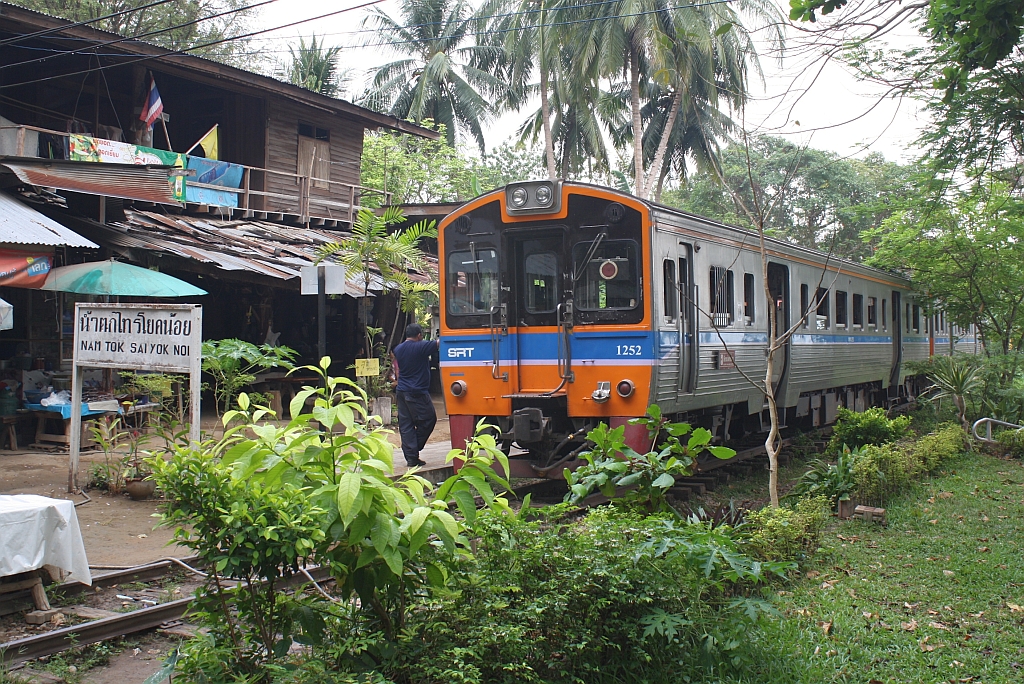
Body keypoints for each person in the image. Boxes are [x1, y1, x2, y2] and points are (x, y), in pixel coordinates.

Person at [391, 323, 438, 467]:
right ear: (419, 335)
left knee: (406, 424)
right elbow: (439, 343)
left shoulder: (398, 349)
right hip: (417, 391)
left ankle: (411, 457)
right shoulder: (421, 346)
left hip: (402, 391)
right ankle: (413, 449)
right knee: (429, 419)